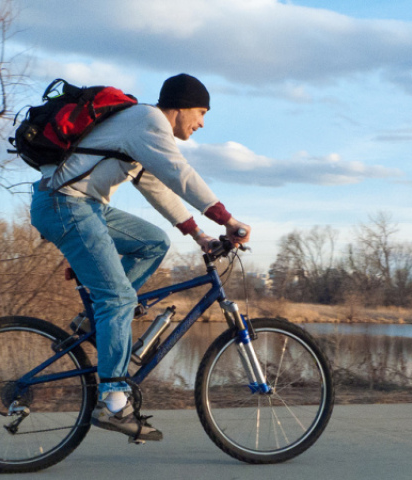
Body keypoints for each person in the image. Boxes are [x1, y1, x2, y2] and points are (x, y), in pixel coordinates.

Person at [30, 73, 251, 442]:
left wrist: (199, 235)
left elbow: (155, 186)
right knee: (117, 297)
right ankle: (114, 402)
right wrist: (227, 219)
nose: (201, 123)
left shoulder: (137, 130)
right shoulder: (147, 120)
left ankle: (94, 322)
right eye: (200, 112)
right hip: (66, 204)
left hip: (82, 206)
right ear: (179, 108)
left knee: (152, 243)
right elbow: (179, 174)